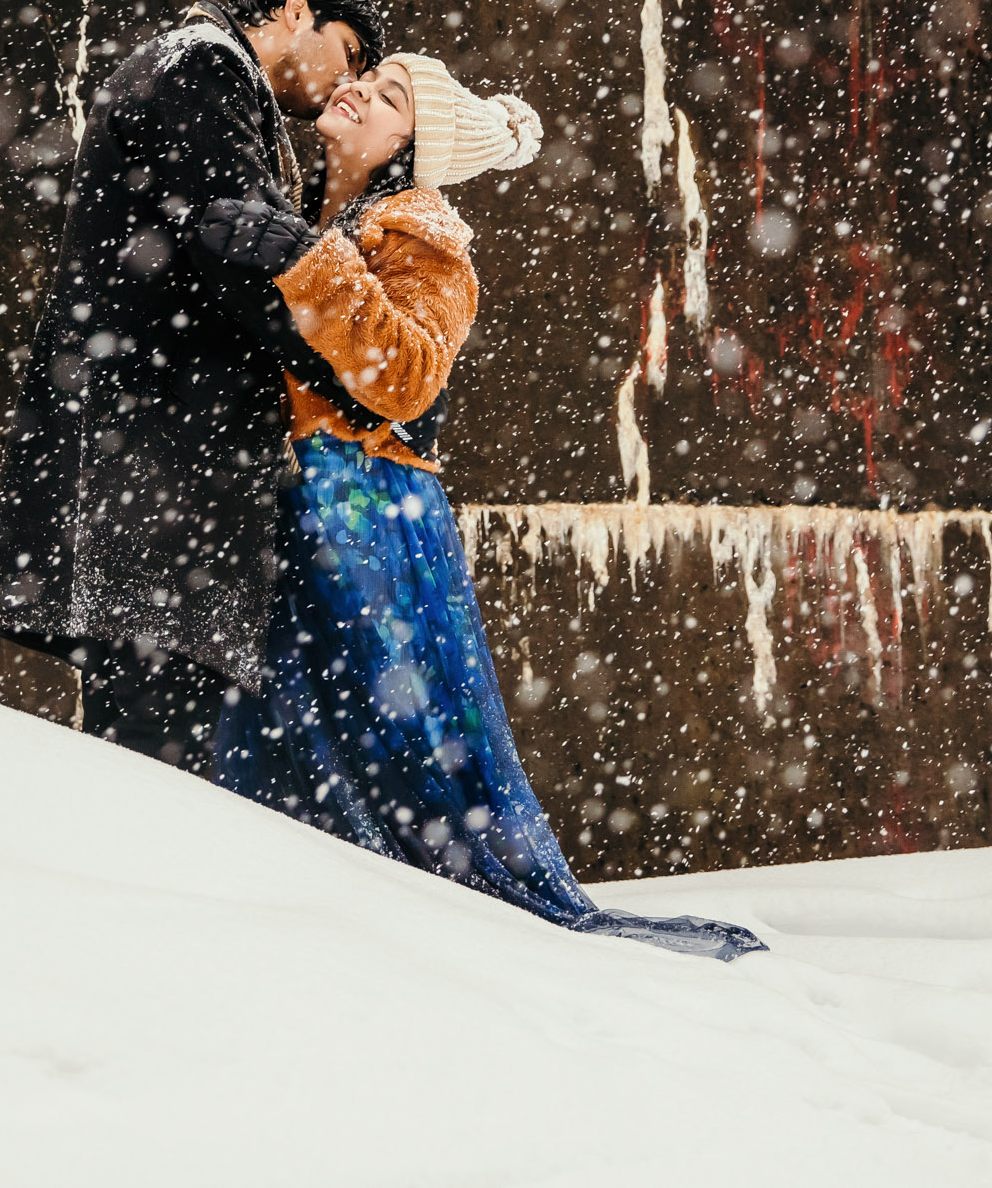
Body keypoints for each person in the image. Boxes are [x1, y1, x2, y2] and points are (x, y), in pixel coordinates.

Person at [198, 54, 767, 962]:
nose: (359, 90)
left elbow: (407, 376)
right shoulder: (329, 218)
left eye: (391, 98)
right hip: (319, 504)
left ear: (412, 150)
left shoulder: (426, 238)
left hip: (366, 514)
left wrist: (308, 264)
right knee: (310, 729)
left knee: (380, 737)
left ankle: (393, 933)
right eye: (371, 78)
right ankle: (303, 919)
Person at [0, 0, 396, 769]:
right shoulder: (202, 66)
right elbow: (250, 257)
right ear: (295, 11)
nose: (349, 81)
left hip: (152, 483)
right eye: (350, 52)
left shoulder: (202, 76)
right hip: (157, 484)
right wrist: (360, 381)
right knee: (157, 768)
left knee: (153, 758)